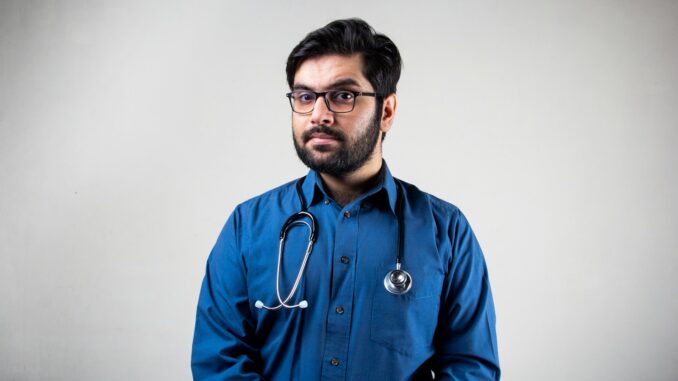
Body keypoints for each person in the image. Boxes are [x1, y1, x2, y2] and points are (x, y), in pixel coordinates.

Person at [191, 18, 500, 380]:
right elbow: (220, 362)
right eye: (305, 97)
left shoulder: (446, 231)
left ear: (386, 111)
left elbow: (470, 367)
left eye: (343, 95)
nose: (319, 115)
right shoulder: (249, 225)